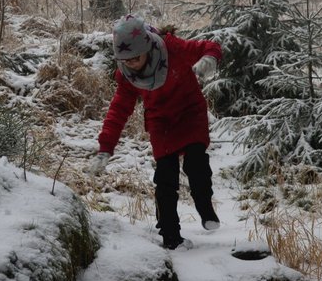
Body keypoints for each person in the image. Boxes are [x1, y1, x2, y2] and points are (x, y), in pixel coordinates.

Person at [90, 14, 223, 250]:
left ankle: (205, 208)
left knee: (196, 162)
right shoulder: (127, 76)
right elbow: (118, 111)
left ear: (147, 47)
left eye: (135, 57)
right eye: (125, 59)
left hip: (190, 112)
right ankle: (171, 236)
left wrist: (208, 60)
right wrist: (105, 148)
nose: (131, 63)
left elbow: (210, 46)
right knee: (165, 177)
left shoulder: (171, 47)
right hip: (161, 122)